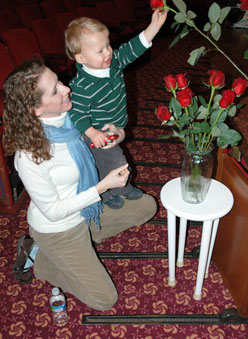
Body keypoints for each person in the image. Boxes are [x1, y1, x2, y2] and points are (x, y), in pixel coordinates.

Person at [2, 57, 157, 311]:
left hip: (86, 213)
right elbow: (53, 211)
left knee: (147, 207)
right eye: (55, 90)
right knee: (105, 299)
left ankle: (83, 244)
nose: (66, 89)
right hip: (58, 228)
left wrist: (118, 134)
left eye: (60, 81)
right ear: (36, 110)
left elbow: (111, 128)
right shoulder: (29, 155)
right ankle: (38, 257)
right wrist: (101, 187)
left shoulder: (71, 117)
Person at [65, 10, 168, 209]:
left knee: (104, 163)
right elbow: (77, 113)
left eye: (108, 45)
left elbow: (133, 48)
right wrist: (92, 132)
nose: (108, 52)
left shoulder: (113, 63)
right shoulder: (82, 86)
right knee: (114, 161)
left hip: (113, 124)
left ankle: (112, 189)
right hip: (96, 132)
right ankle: (111, 192)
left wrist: (154, 26)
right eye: (100, 50)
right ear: (81, 58)